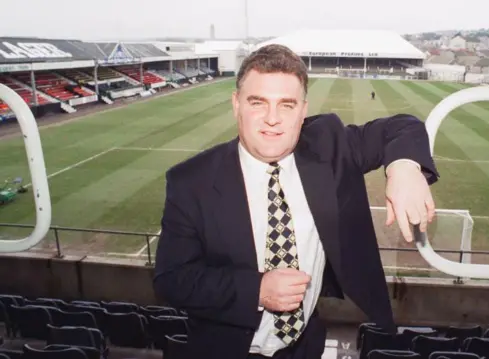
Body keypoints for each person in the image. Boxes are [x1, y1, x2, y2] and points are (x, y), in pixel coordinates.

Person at [153, 44, 439, 359]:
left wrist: (404, 167)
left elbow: (404, 126)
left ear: (303, 111)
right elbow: (173, 278)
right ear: (237, 105)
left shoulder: (329, 146)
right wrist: (257, 290)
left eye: (286, 105)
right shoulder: (190, 181)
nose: (272, 119)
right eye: (258, 102)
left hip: (304, 346)